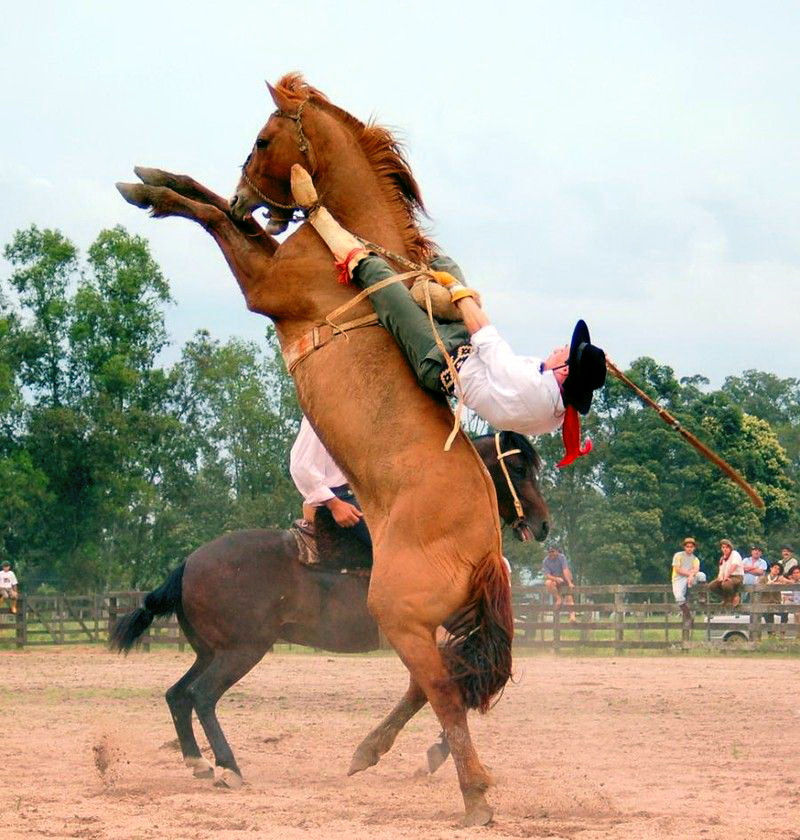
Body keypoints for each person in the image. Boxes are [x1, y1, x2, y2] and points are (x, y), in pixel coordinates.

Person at [289, 165, 607, 468]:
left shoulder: (533, 388)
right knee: (446, 264)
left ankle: (316, 214)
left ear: (565, 371)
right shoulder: (553, 407)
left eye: (564, 350)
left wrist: (458, 293)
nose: (557, 348)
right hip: (465, 348)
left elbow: (486, 337)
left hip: (440, 359)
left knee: (382, 281)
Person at [289, 416, 371, 548]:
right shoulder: (320, 413)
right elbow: (301, 466)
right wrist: (334, 504)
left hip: (365, 499)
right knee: (398, 546)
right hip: (339, 500)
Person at [671, 537, 706, 624]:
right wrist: (690, 574)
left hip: (690, 577)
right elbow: (677, 569)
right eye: (687, 546)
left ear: (694, 548)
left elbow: (696, 569)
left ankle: (702, 596)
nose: (689, 548)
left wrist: (692, 575)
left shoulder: (695, 559)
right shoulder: (678, 555)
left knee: (702, 575)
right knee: (679, 597)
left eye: (691, 546)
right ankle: (688, 616)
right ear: (684, 547)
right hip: (678, 578)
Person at [705, 538, 744, 607]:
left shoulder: (735, 554)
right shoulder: (722, 558)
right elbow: (721, 570)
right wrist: (720, 578)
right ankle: (730, 598)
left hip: (737, 576)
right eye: (723, 547)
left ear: (730, 548)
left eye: (727, 547)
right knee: (711, 586)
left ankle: (733, 597)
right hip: (726, 577)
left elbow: (733, 566)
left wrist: (726, 577)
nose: (725, 549)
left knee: (726, 585)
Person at [542, 545, 576, 622]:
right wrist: (556, 579)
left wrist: (569, 582)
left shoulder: (562, 557)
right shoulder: (545, 561)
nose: (551, 553)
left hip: (564, 578)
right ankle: (558, 598)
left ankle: (572, 617)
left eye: (553, 551)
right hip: (555, 579)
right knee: (547, 583)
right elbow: (548, 575)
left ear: (557, 551)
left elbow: (565, 570)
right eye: (549, 552)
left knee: (569, 597)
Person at [760, 561, 789, 631]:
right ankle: (771, 636)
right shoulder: (763, 578)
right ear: (771, 568)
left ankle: (782, 632)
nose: (776, 570)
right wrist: (767, 585)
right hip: (766, 603)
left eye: (778, 569)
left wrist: (779, 584)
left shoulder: (780, 578)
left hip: (777, 603)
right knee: (769, 621)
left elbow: (788, 582)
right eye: (775, 568)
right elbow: (758, 588)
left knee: (785, 612)